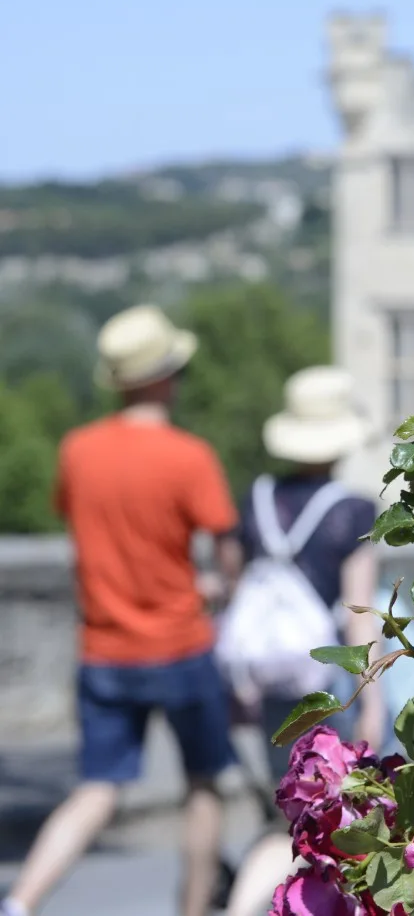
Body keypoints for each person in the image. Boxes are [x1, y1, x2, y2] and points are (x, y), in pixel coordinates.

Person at [2, 305, 240, 916]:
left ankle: (21, 902)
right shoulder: (189, 456)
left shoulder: (78, 450)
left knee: (98, 790)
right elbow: (227, 550)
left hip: (104, 649)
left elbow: (78, 522)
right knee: (204, 786)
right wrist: (218, 587)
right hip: (181, 643)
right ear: (165, 377)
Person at [219, 366, 383, 916]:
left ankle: (246, 903)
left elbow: (240, 598)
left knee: (282, 811)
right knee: (333, 814)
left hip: (268, 676)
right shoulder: (352, 511)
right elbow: (359, 615)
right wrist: (372, 703)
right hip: (326, 681)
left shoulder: (258, 498)